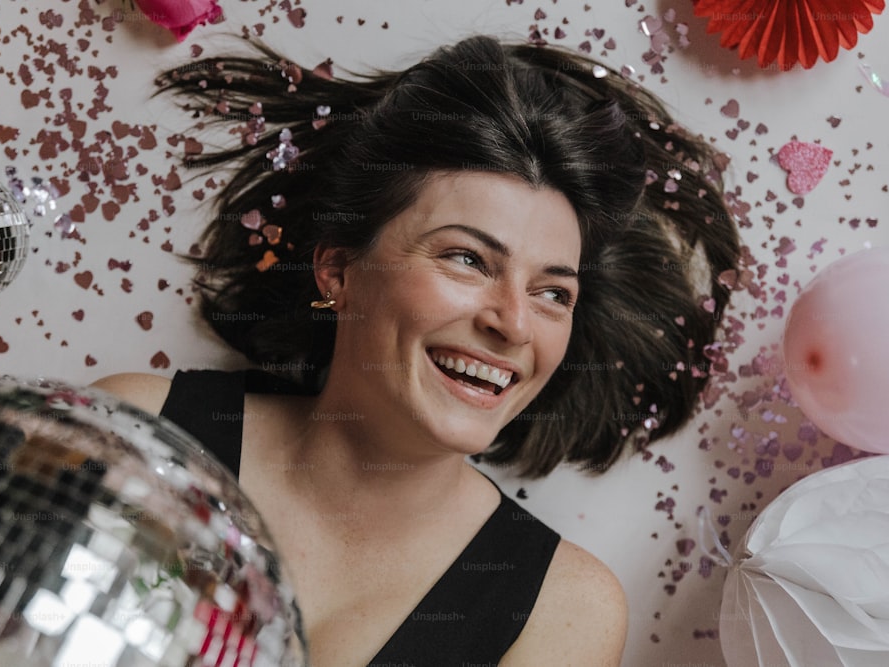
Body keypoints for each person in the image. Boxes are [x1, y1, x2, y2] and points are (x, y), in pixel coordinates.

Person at [93, 35, 741, 666]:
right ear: (338, 271)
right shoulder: (137, 436)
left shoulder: (562, 612)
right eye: (467, 258)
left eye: (553, 293)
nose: (513, 323)